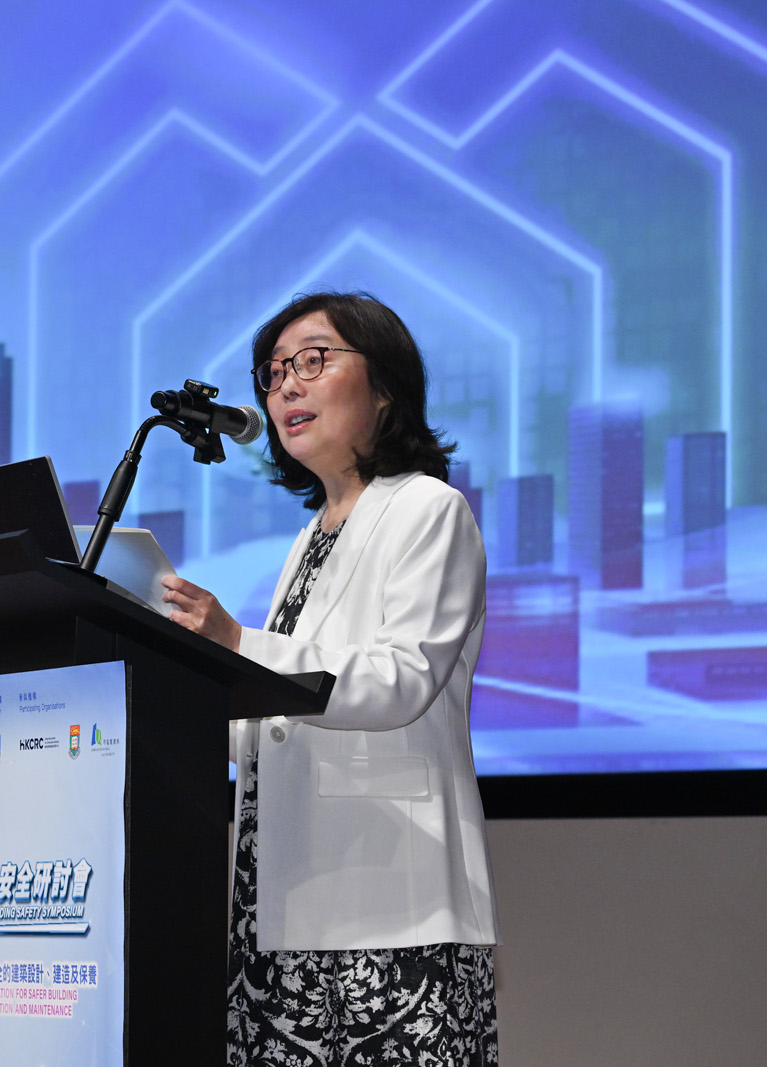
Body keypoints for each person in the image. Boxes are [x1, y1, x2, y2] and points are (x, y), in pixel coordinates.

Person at [160, 292, 498, 1065]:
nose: (286, 385)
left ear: (384, 389)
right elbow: (278, 717)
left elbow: (402, 678)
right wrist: (186, 686)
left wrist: (237, 643)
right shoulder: (309, 539)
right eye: (274, 371)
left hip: (392, 905)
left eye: (312, 360)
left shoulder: (429, 509)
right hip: (278, 902)